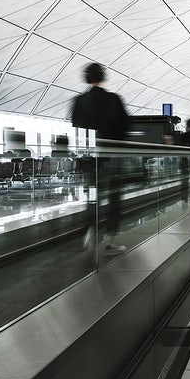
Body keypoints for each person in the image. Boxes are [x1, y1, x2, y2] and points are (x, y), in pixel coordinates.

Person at [71, 62, 128, 255]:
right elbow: (125, 126)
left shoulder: (79, 101)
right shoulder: (113, 100)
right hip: (112, 156)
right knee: (113, 197)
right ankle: (110, 239)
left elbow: (76, 129)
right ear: (103, 77)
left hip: (90, 158)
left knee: (93, 197)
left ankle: (90, 231)